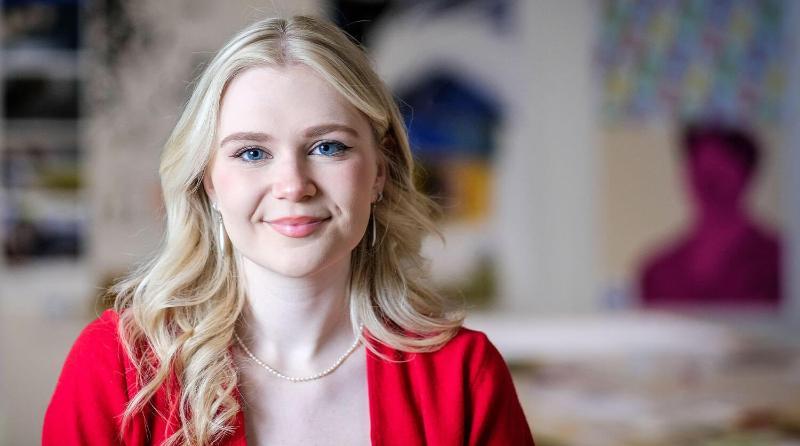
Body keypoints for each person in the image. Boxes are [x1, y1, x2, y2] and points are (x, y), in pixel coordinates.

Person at [43, 16, 535, 446]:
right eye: (252, 153)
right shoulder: (117, 369)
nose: (294, 186)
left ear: (380, 170)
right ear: (208, 180)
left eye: (327, 147)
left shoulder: (465, 377)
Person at [639, 122, 782, 309]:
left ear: (746, 175)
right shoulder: (658, 271)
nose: (710, 185)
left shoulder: (778, 259)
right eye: (701, 171)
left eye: (720, 173)